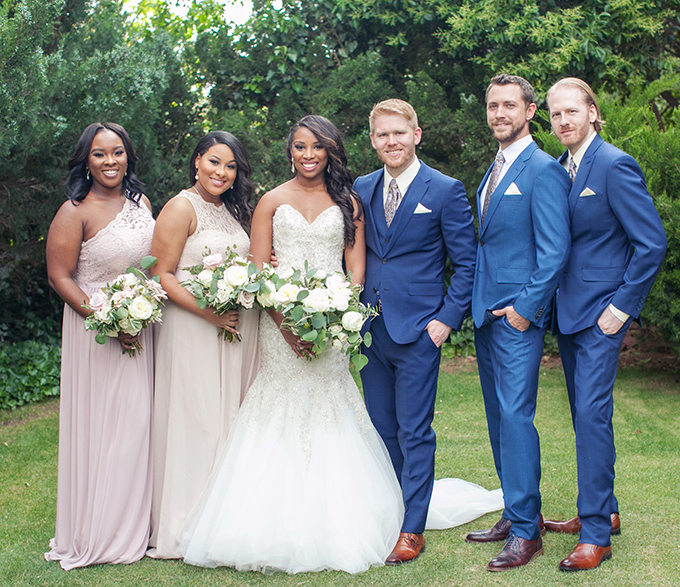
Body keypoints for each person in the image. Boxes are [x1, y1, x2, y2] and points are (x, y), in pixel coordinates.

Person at [177, 115, 404, 574]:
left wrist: (336, 315)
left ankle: (342, 513)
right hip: (279, 326)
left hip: (332, 327)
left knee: (329, 405)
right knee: (278, 406)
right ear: (290, 151)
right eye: (300, 146)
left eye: (317, 147)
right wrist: (285, 324)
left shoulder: (348, 202)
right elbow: (259, 270)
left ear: (330, 151)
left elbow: (354, 270)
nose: (307, 155)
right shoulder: (271, 201)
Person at [544, 77, 667, 571]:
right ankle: (606, 510)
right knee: (583, 416)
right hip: (567, 314)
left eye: (572, 111)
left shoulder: (614, 165)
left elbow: (651, 242)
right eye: (555, 115)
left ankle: (596, 533)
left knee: (591, 416)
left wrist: (621, 308)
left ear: (593, 112)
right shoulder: (558, 169)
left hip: (602, 318)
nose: (564, 121)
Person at [356, 99, 477, 564]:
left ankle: (412, 527)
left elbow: (465, 262)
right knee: (381, 427)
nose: (392, 142)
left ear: (416, 134)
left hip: (420, 330)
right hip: (369, 327)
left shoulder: (444, 189)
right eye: (383, 135)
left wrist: (445, 320)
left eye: (399, 133)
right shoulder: (362, 189)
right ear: (373, 140)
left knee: (414, 430)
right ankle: (394, 509)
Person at [464, 75, 570, 571]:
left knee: (515, 417)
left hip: (517, 319)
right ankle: (513, 510)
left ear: (531, 111)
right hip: (487, 313)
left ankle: (528, 533)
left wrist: (526, 310)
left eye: (509, 105)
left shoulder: (543, 169)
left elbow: (554, 251)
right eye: (492, 106)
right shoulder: (494, 168)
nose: (499, 113)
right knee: (496, 418)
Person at [44, 122, 154, 570]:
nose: (110, 161)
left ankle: (135, 525)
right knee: (104, 427)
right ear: (85, 161)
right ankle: (100, 531)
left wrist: (140, 311)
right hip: (96, 329)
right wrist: (106, 318)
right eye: (99, 154)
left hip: (143, 327)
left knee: (139, 425)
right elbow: (59, 276)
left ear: (128, 156)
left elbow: (155, 262)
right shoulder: (75, 211)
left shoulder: (142, 203)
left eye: (118, 152)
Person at [146, 131, 260, 559]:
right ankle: (184, 526)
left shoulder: (231, 209)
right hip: (194, 327)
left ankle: (223, 521)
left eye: (231, 166)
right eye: (214, 162)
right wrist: (208, 312)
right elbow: (161, 274)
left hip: (234, 328)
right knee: (198, 422)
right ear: (196, 161)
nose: (222, 172)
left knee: (228, 420)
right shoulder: (181, 207)